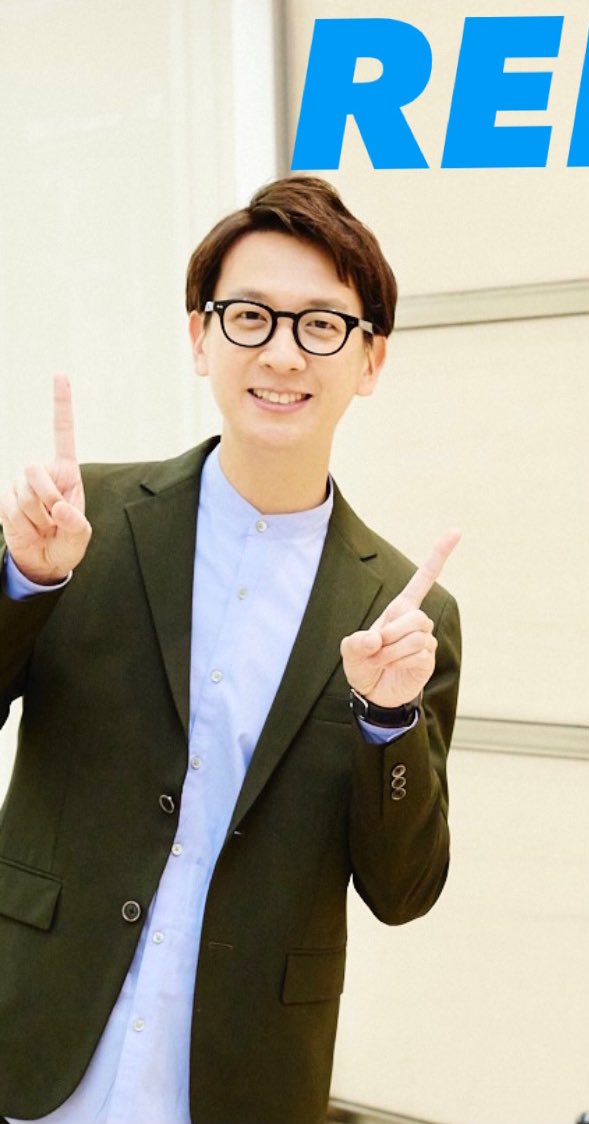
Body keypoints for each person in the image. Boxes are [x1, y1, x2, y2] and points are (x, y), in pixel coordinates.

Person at [0, 176, 461, 1124]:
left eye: (321, 326)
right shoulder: (80, 524)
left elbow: (404, 889)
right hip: (30, 1044)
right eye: (250, 316)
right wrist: (27, 584)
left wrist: (387, 721)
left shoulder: (406, 614)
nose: (283, 353)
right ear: (200, 336)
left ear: (370, 359)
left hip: (242, 1084)